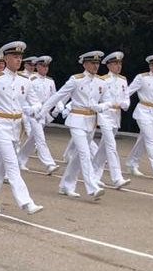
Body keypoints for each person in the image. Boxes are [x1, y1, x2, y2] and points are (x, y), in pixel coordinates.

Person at [0, 42, 44, 215]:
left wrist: (33, 109)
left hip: (15, 127)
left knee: (0, 167)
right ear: (5, 58)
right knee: (12, 165)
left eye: (20, 57)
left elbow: (34, 101)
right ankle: (26, 202)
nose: (18, 60)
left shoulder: (25, 81)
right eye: (15, 57)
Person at [41, 51, 108, 201]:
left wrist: (101, 107)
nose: (96, 66)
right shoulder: (76, 80)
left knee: (78, 156)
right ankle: (92, 187)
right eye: (92, 63)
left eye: (97, 63)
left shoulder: (101, 83)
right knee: (84, 153)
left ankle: (66, 185)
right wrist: (44, 110)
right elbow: (59, 95)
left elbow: (107, 100)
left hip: (91, 121)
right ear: (85, 64)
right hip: (77, 119)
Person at [92, 51, 132, 189]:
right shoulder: (102, 80)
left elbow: (126, 97)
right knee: (111, 145)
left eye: (120, 63)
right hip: (105, 115)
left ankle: (93, 175)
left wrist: (126, 104)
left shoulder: (123, 80)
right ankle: (117, 178)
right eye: (115, 63)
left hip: (116, 115)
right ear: (108, 65)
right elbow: (95, 98)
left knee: (103, 148)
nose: (118, 66)